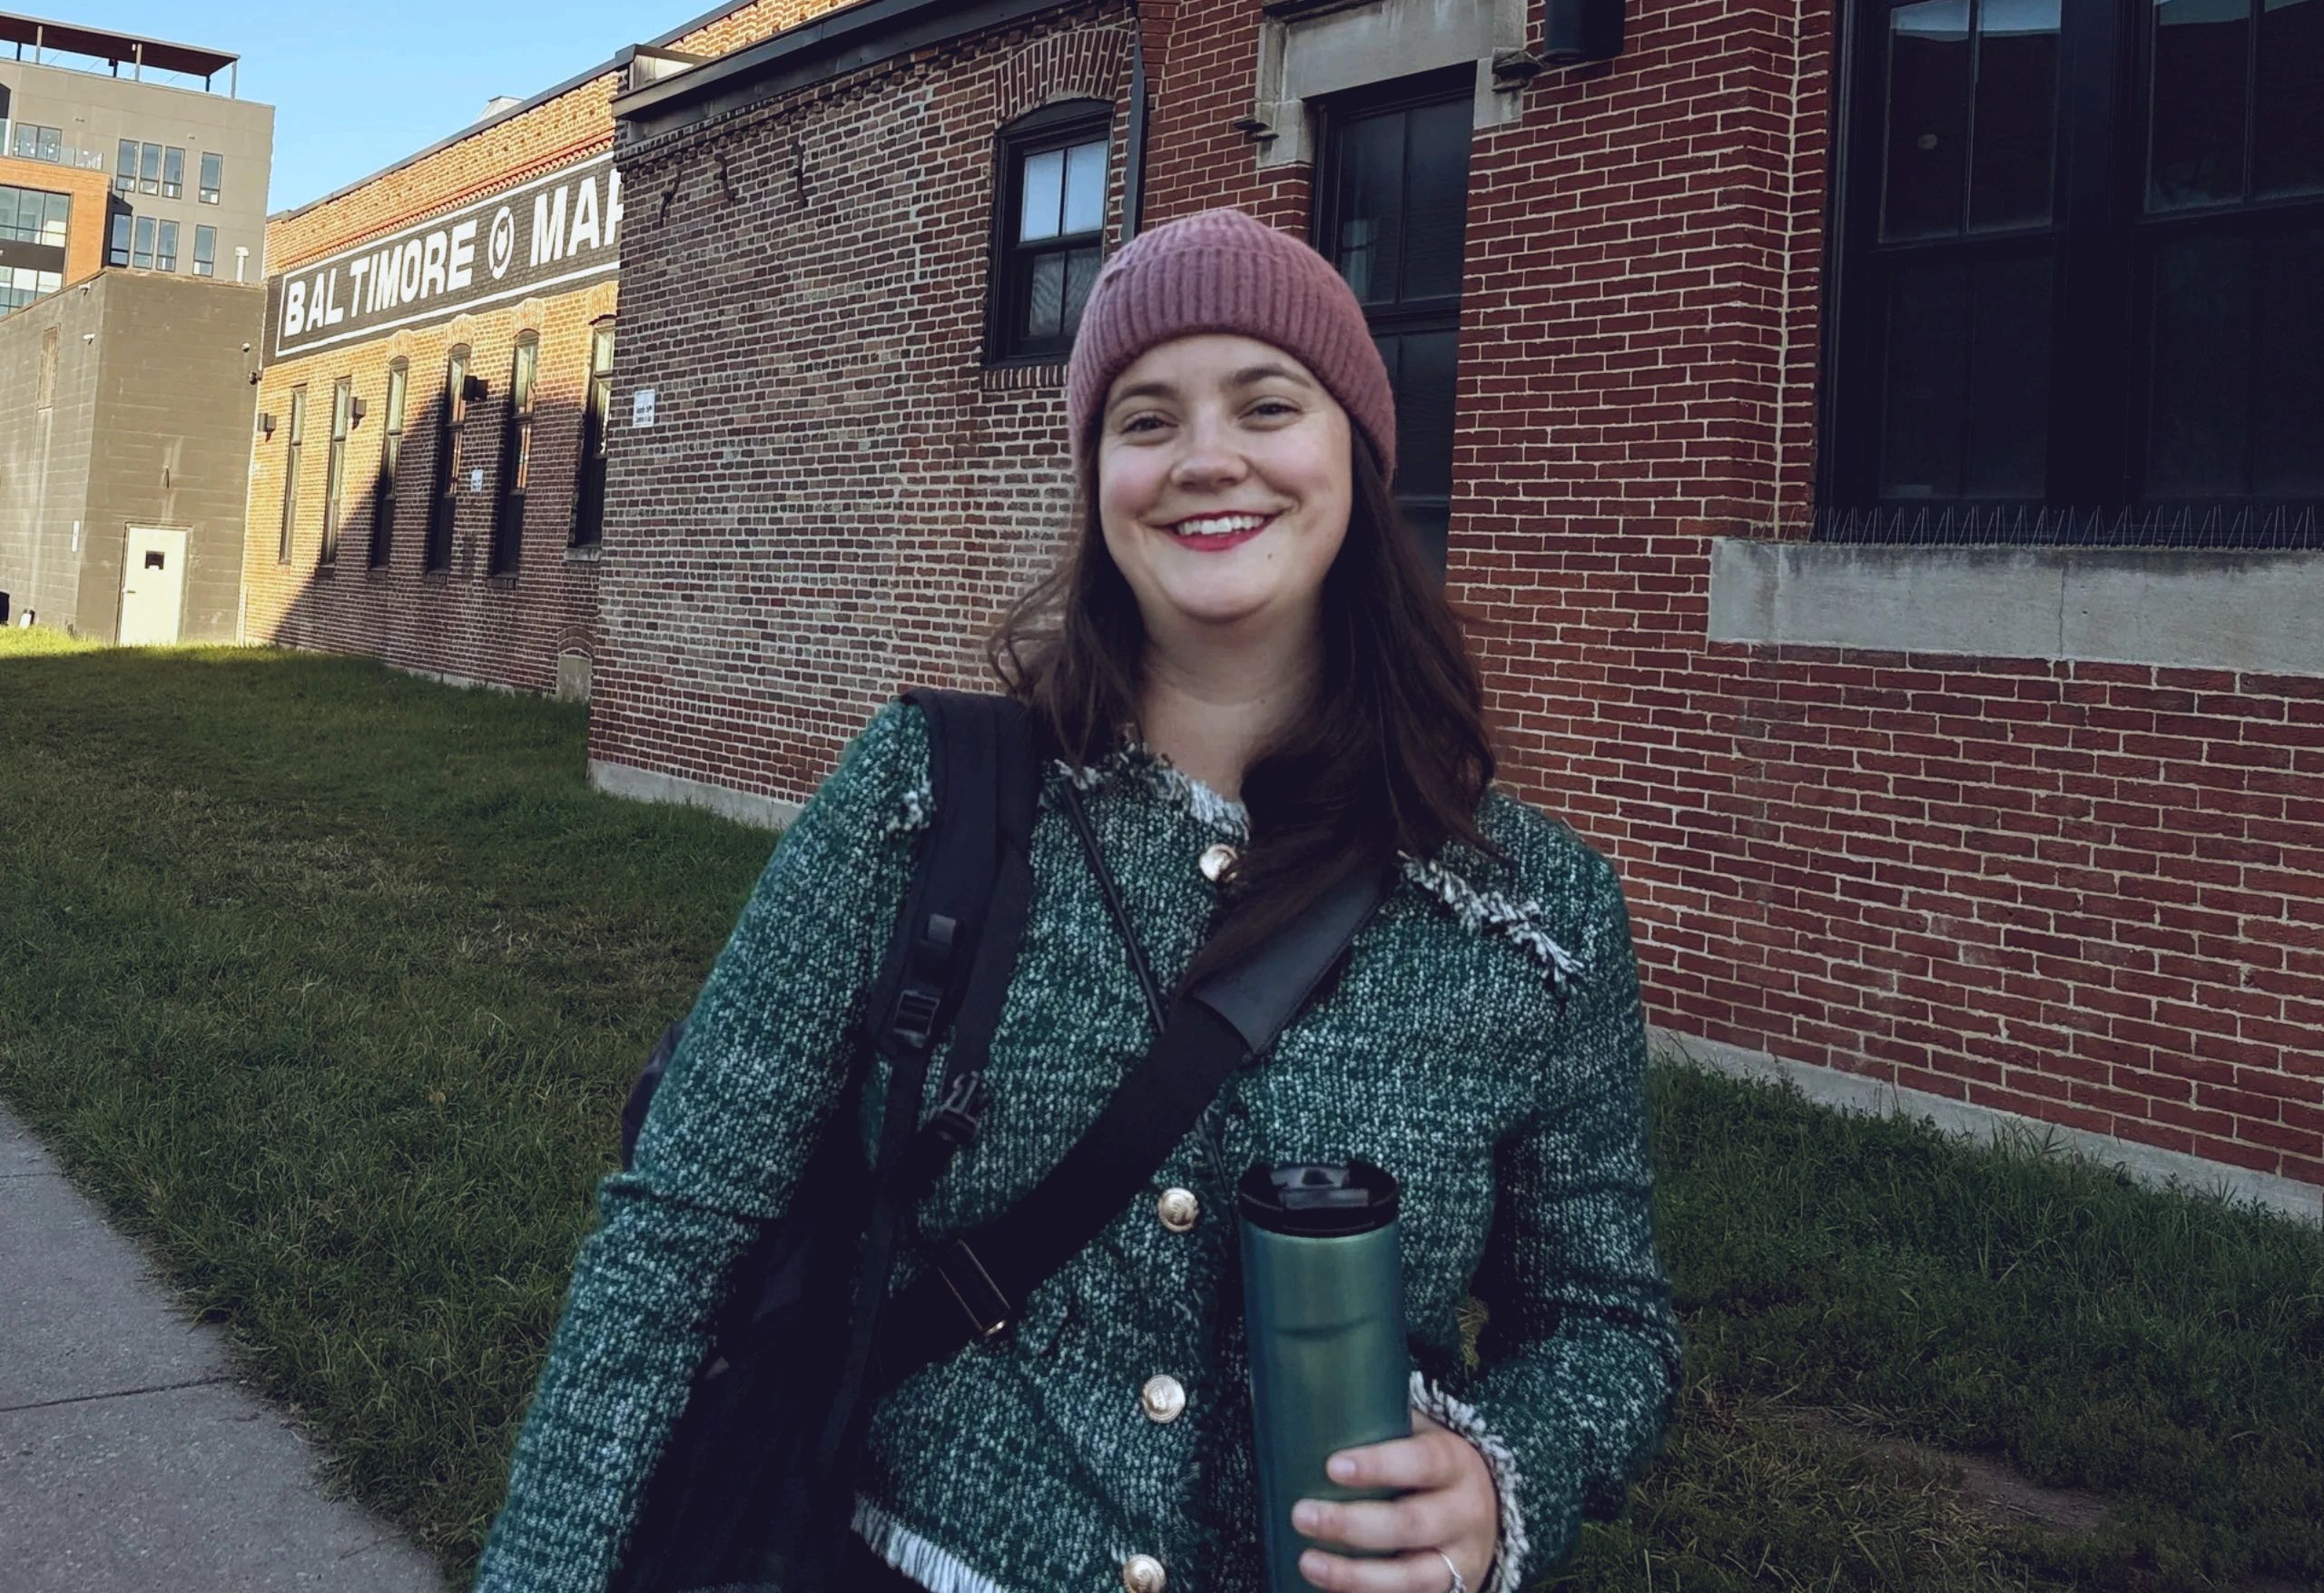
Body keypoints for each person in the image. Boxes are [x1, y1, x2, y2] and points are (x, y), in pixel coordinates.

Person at [476, 207, 1683, 1593]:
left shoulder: (1536, 913)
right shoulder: (924, 797)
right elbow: (674, 1234)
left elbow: (1607, 1325)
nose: (1206, 459)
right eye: (1146, 419)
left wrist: (1498, 1481)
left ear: (1355, 445)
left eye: (1267, 404)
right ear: (1098, 477)